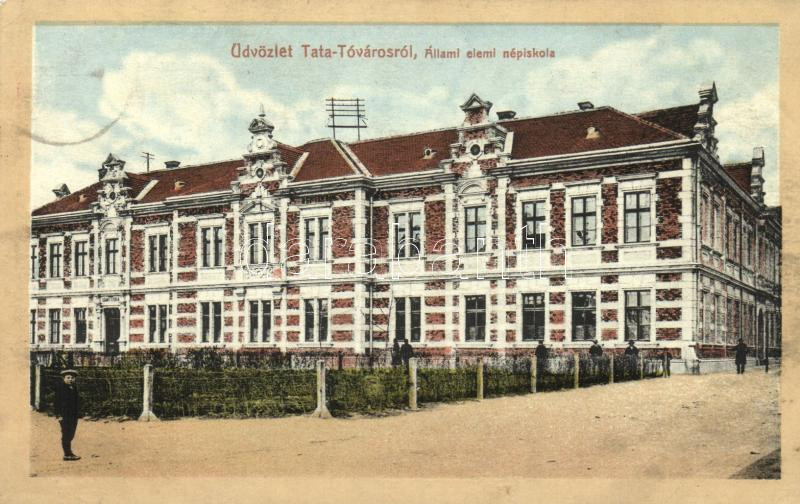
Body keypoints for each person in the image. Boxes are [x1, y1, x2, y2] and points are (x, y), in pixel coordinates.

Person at [54, 369, 81, 461]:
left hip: (73, 416)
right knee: (66, 434)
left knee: (71, 434)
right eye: (68, 378)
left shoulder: (74, 388)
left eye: (72, 378)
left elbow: (76, 402)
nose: (70, 379)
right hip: (64, 415)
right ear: (63, 378)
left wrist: (78, 413)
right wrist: (58, 415)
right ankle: (67, 454)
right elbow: (56, 402)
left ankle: (68, 452)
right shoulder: (61, 389)